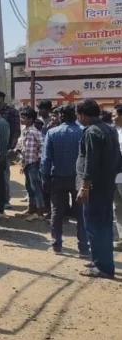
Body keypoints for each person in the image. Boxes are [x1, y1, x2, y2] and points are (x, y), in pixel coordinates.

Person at [76, 98, 120, 278]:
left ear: (83, 115)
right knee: (103, 224)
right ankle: (100, 260)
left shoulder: (91, 132)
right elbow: (118, 158)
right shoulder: (109, 129)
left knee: (95, 225)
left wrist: (85, 187)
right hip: (107, 183)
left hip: (94, 187)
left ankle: (102, 266)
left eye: (79, 115)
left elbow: (91, 163)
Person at [42, 105, 87, 256]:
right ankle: (83, 248)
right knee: (81, 213)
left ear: (61, 116)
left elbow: (46, 159)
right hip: (79, 178)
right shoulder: (83, 132)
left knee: (57, 212)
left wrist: (45, 178)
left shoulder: (52, 133)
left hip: (57, 177)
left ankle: (57, 245)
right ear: (75, 115)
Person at [0, 91, 20, 210]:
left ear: (1, 98)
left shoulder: (12, 112)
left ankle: (5, 200)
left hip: (5, 149)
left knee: (4, 175)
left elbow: (16, 132)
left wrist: (11, 149)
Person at [17, 107, 46, 221]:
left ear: (31, 119)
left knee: (36, 188)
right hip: (26, 163)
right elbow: (21, 146)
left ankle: (39, 212)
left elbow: (43, 146)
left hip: (33, 163)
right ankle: (31, 209)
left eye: (23, 118)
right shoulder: (25, 131)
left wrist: (38, 159)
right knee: (29, 187)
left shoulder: (34, 132)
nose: (21, 119)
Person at [113, 104, 122, 252]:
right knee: (118, 207)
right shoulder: (116, 132)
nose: (113, 117)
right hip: (116, 177)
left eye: (115, 115)